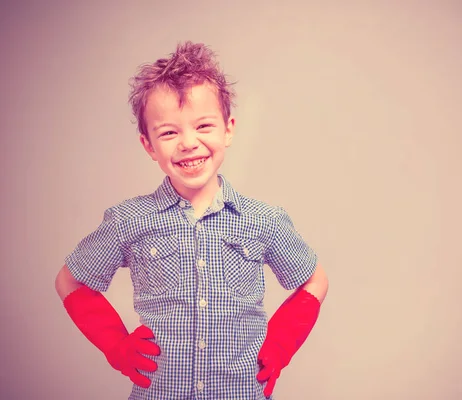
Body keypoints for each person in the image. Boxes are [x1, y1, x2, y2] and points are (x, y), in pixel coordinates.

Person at [54, 41, 329, 400]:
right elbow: (69, 281)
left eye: (203, 125)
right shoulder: (128, 220)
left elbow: (315, 280)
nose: (188, 143)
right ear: (148, 145)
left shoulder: (265, 220)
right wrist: (116, 345)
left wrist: (280, 345)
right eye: (169, 132)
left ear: (228, 129)